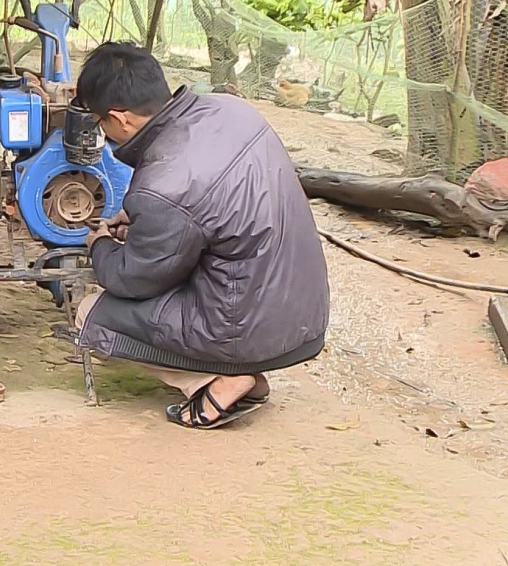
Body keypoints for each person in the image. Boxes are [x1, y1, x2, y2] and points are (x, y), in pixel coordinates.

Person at [72, 42, 330, 430]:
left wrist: (102, 245)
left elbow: (132, 278)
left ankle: (221, 380)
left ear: (119, 119)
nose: (103, 131)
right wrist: (147, 221)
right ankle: (243, 374)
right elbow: (218, 211)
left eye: (99, 123)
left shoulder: (164, 185)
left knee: (91, 311)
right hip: (304, 312)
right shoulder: (231, 110)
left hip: (250, 327)